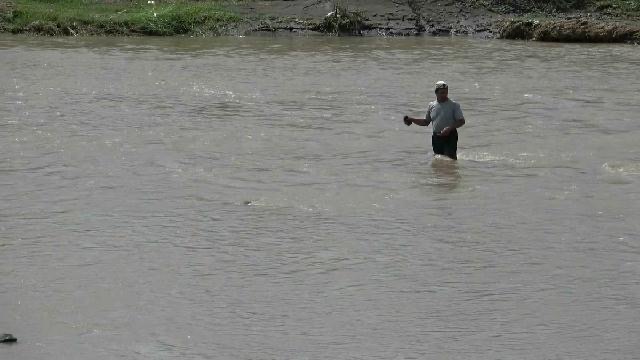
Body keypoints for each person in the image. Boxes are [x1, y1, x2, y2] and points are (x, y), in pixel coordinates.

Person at [404, 81, 465, 160]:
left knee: (450, 160)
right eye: (442, 93)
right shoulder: (431, 105)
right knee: (439, 160)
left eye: (446, 92)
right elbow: (425, 122)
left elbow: (461, 121)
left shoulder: (454, 105)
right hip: (436, 137)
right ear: (436, 93)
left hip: (450, 136)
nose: (444, 95)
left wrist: (449, 128)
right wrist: (412, 119)